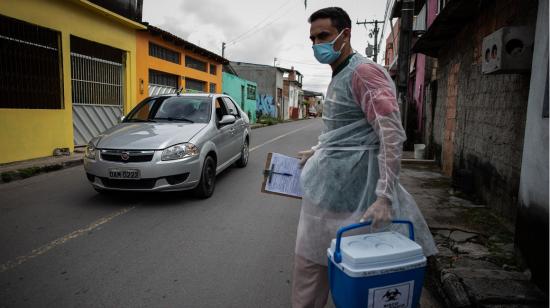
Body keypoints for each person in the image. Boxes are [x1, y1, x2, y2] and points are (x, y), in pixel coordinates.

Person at [292, 7, 437, 308]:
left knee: (363, 280)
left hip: (360, 199)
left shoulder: (364, 72)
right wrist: (319, 150)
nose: (317, 44)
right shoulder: (340, 74)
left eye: (323, 36)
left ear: (345, 34)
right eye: (312, 38)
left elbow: (390, 134)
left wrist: (384, 196)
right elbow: (345, 130)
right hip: (326, 197)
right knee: (310, 274)